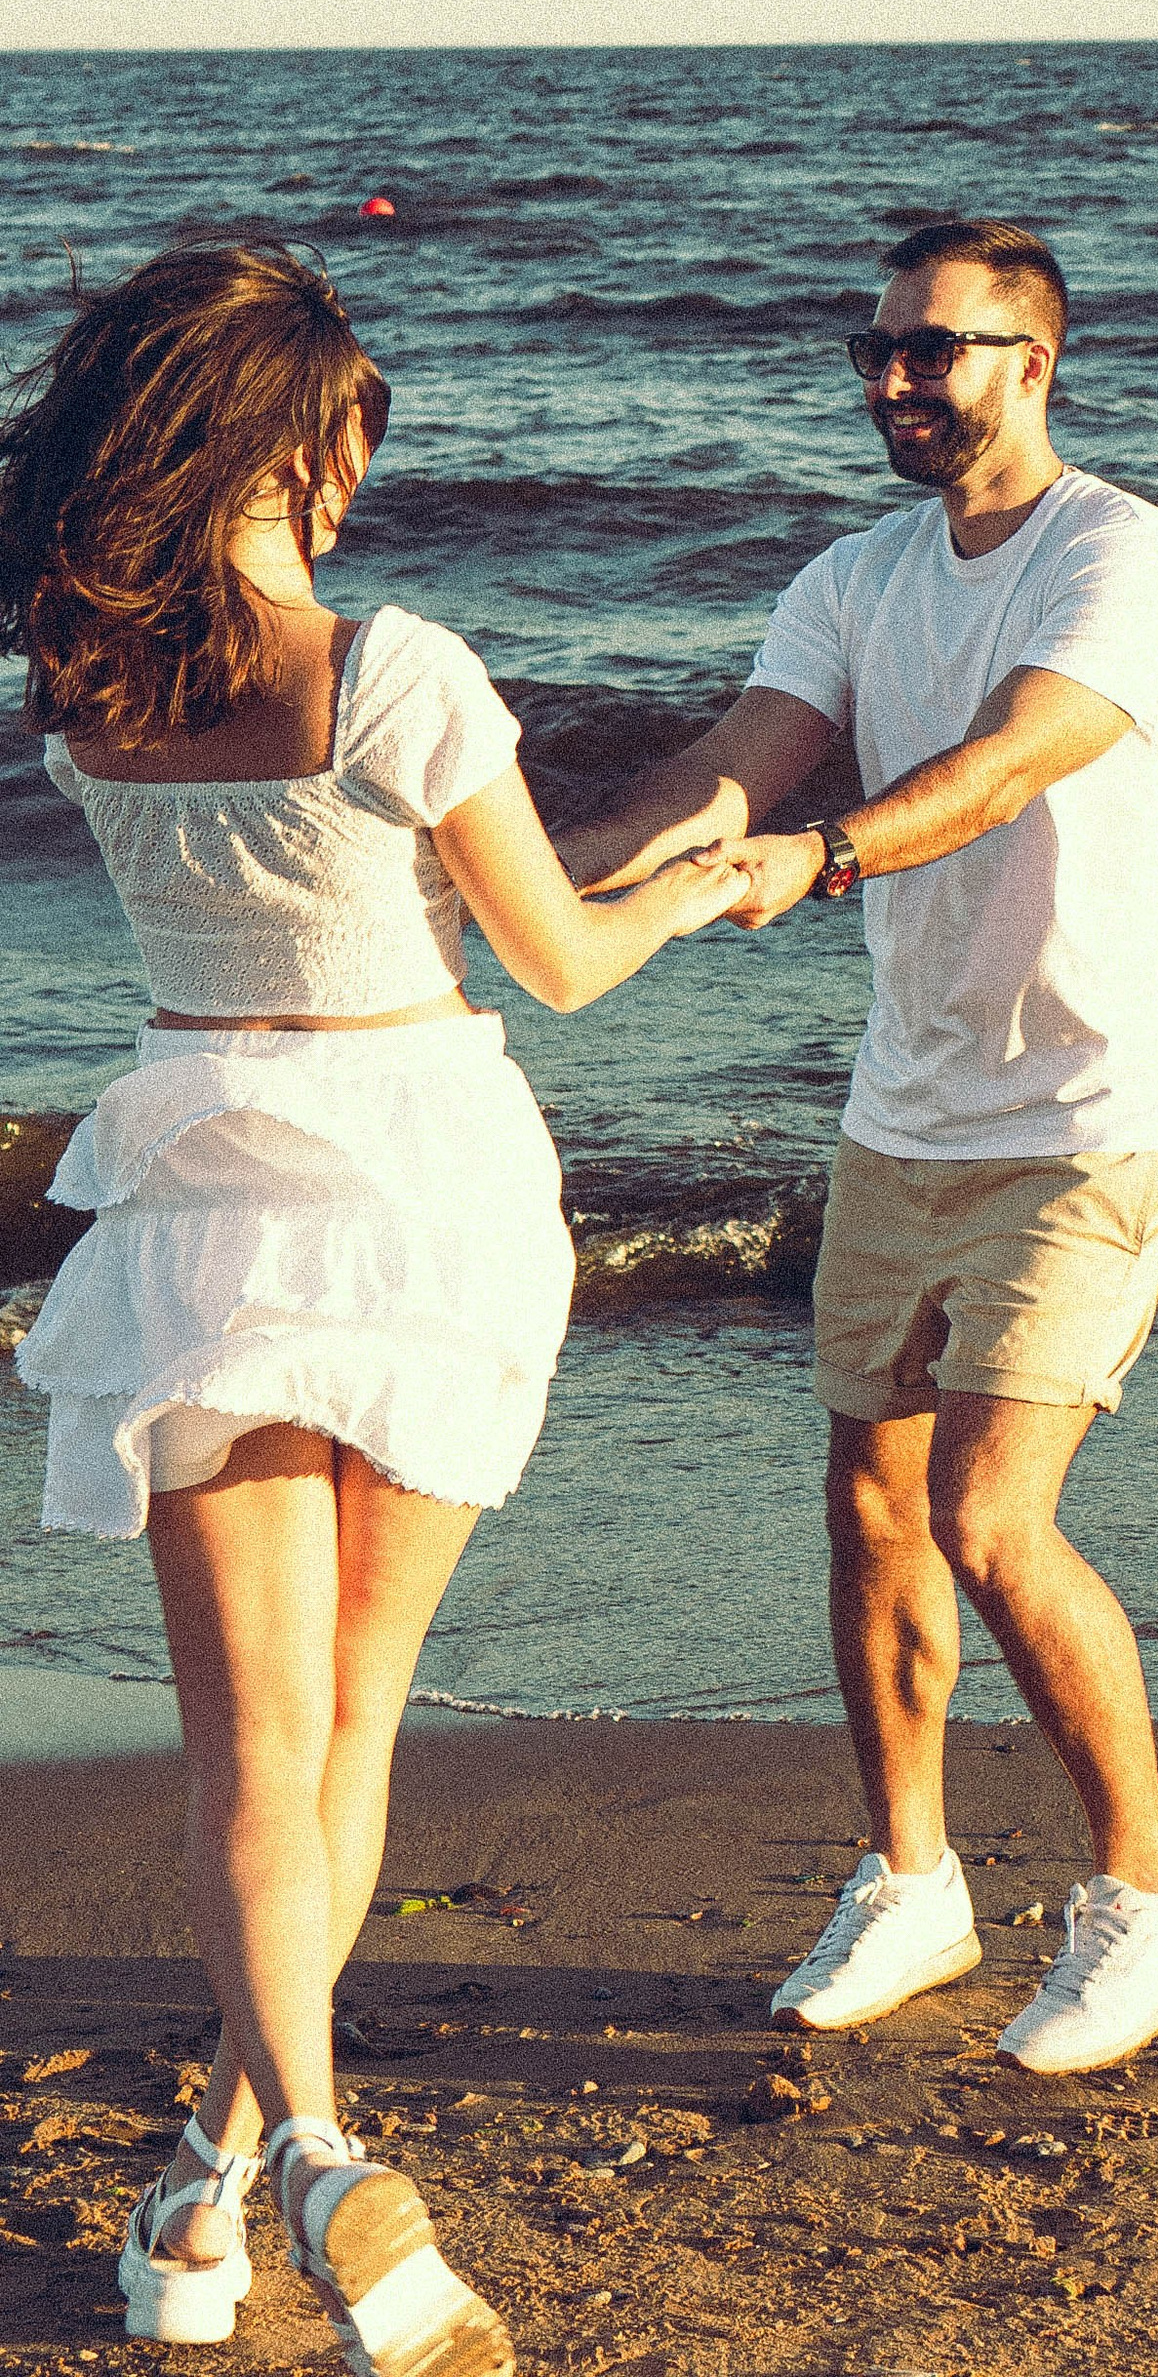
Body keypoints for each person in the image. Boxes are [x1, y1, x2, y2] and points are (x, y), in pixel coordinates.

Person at [2, 241, 746, 2374]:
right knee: (356, 1723)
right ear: (292, 438)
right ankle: (308, 2158)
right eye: (347, 434)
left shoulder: (84, 684)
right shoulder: (398, 664)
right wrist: (709, 852)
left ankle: (219, 2184)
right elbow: (562, 962)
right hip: (417, 1189)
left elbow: (304, 872)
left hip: (202, 1185)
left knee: (255, 1749)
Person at [562, 216, 1158, 2072]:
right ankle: (915, 1882)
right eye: (875, 350)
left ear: (1034, 362)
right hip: (906, 1107)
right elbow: (738, 759)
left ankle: (1152, 1900)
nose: (891, 382)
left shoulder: (1127, 559)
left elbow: (1020, 756)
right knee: (871, 1514)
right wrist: (534, 877)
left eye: (932, 351)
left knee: (990, 1520)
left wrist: (826, 857)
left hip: (1092, 1112)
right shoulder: (858, 574)